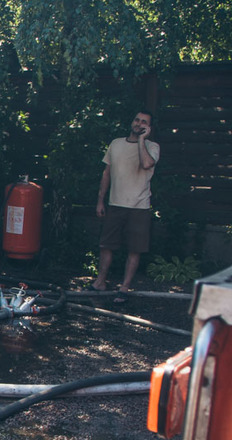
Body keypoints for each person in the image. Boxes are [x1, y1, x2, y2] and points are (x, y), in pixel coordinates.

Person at [89, 110, 160, 303]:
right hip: (115, 203)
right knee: (106, 245)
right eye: (137, 120)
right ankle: (100, 282)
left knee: (134, 249)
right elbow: (106, 173)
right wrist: (100, 200)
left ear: (149, 127)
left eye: (144, 122)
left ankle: (124, 287)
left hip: (139, 206)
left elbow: (146, 164)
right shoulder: (116, 144)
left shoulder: (152, 147)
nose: (139, 123)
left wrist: (142, 140)